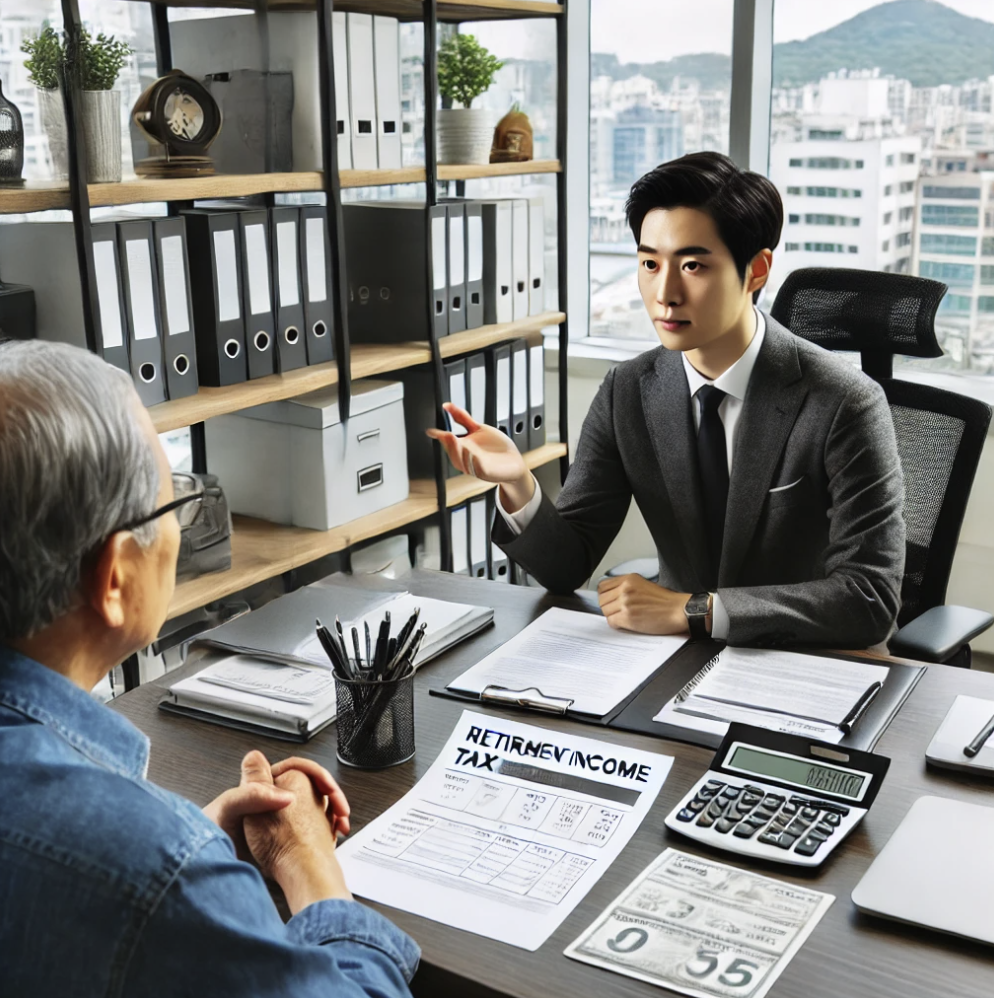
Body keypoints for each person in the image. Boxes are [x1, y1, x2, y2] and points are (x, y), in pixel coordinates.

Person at [0, 340, 419, 997]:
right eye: (173, 503)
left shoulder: (157, 862)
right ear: (115, 577)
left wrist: (190, 844)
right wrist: (308, 865)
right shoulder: (156, 870)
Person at [429, 152, 905, 648]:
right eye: (650, 264)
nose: (665, 293)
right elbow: (567, 566)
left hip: (813, 662)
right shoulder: (628, 391)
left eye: (693, 265)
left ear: (756, 270)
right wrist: (518, 484)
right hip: (677, 656)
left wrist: (696, 609)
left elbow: (868, 598)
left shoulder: (845, 403)